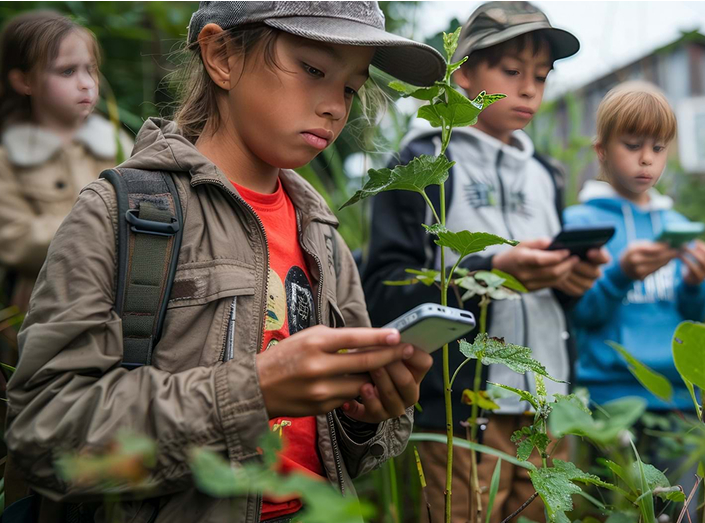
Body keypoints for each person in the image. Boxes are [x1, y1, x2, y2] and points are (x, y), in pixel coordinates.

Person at [5, 3, 445, 522]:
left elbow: (351, 453)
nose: (334, 106)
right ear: (221, 56)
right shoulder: (122, 213)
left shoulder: (322, 233)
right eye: (313, 70)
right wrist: (249, 392)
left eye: (350, 87)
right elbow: (44, 434)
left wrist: (368, 413)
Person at [362, 3, 608, 521]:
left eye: (541, 76)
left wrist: (572, 280)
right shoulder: (420, 164)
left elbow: (553, 293)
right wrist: (491, 275)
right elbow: (383, 292)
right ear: (464, 71)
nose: (528, 90)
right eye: (511, 71)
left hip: (547, 408)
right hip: (461, 408)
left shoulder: (547, 174)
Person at [563, 81, 705, 501]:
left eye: (659, 146)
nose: (647, 158)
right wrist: (621, 274)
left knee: (681, 508)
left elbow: (693, 316)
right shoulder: (582, 223)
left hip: (678, 396)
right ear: (601, 150)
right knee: (621, 506)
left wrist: (694, 281)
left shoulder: (676, 223)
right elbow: (581, 313)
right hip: (610, 396)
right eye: (632, 145)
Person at [0, 10, 133, 359]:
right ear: (23, 81)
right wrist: (103, 227)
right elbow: (15, 239)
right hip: (44, 316)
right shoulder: (8, 156)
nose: (87, 83)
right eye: (68, 71)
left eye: (91, 69)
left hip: (125, 308)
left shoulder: (117, 143)